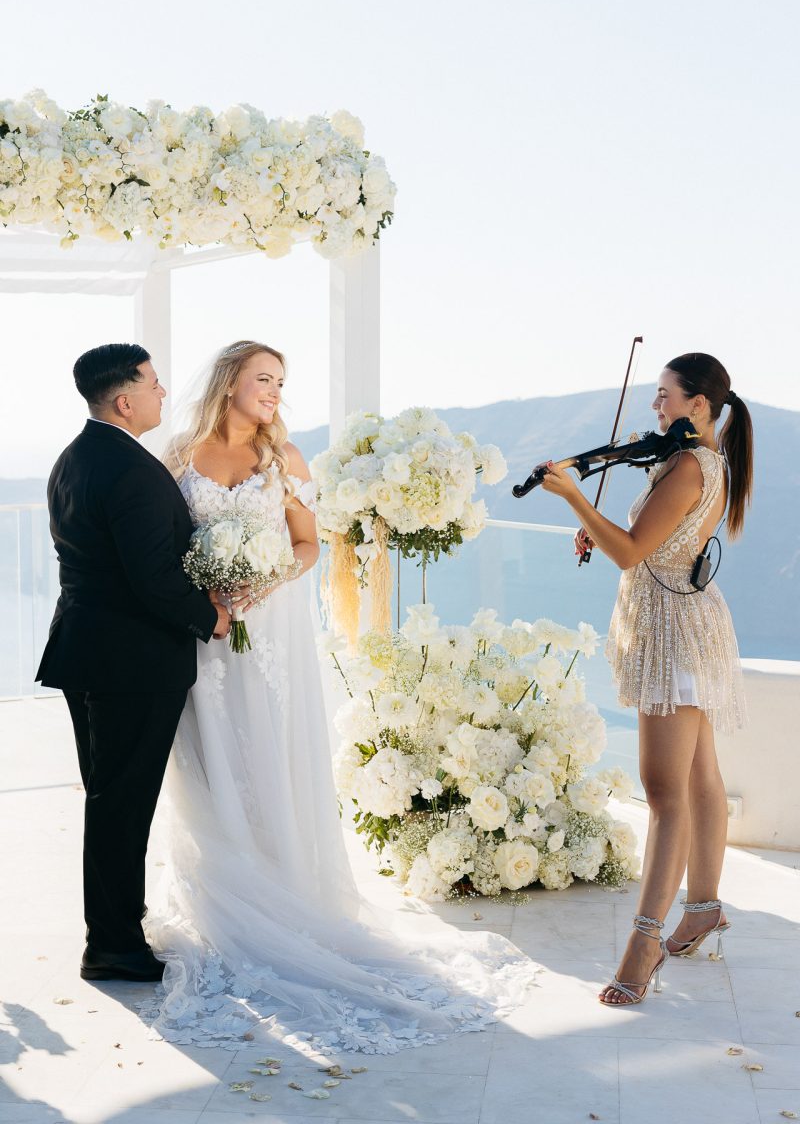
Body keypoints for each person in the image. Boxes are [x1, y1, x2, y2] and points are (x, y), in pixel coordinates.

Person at [143, 339, 536, 1054]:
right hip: (204, 631)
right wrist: (205, 587)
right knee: (209, 757)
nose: (274, 392)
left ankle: (284, 889)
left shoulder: (282, 462)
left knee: (268, 754)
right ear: (230, 382)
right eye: (264, 379)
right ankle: (221, 896)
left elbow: (306, 546)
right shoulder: (177, 456)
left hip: (270, 632)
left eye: (281, 382)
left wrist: (262, 581)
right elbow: (164, 543)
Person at [538, 352, 752, 1007]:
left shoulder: (688, 465)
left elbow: (632, 551)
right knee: (700, 776)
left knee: (664, 792)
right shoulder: (705, 460)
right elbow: (647, 542)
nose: (655, 407)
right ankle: (704, 909)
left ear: (698, 405)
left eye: (664, 396)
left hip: (672, 634)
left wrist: (576, 492)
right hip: (687, 618)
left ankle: (643, 943)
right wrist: (595, 526)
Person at [36, 344, 230, 982]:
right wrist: (212, 617)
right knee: (123, 802)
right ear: (125, 400)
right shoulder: (129, 470)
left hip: (85, 649)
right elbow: (152, 579)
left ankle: (117, 922)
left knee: (110, 797)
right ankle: (114, 944)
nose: (163, 392)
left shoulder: (74, 459)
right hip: (131, 662)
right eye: (153, 383)